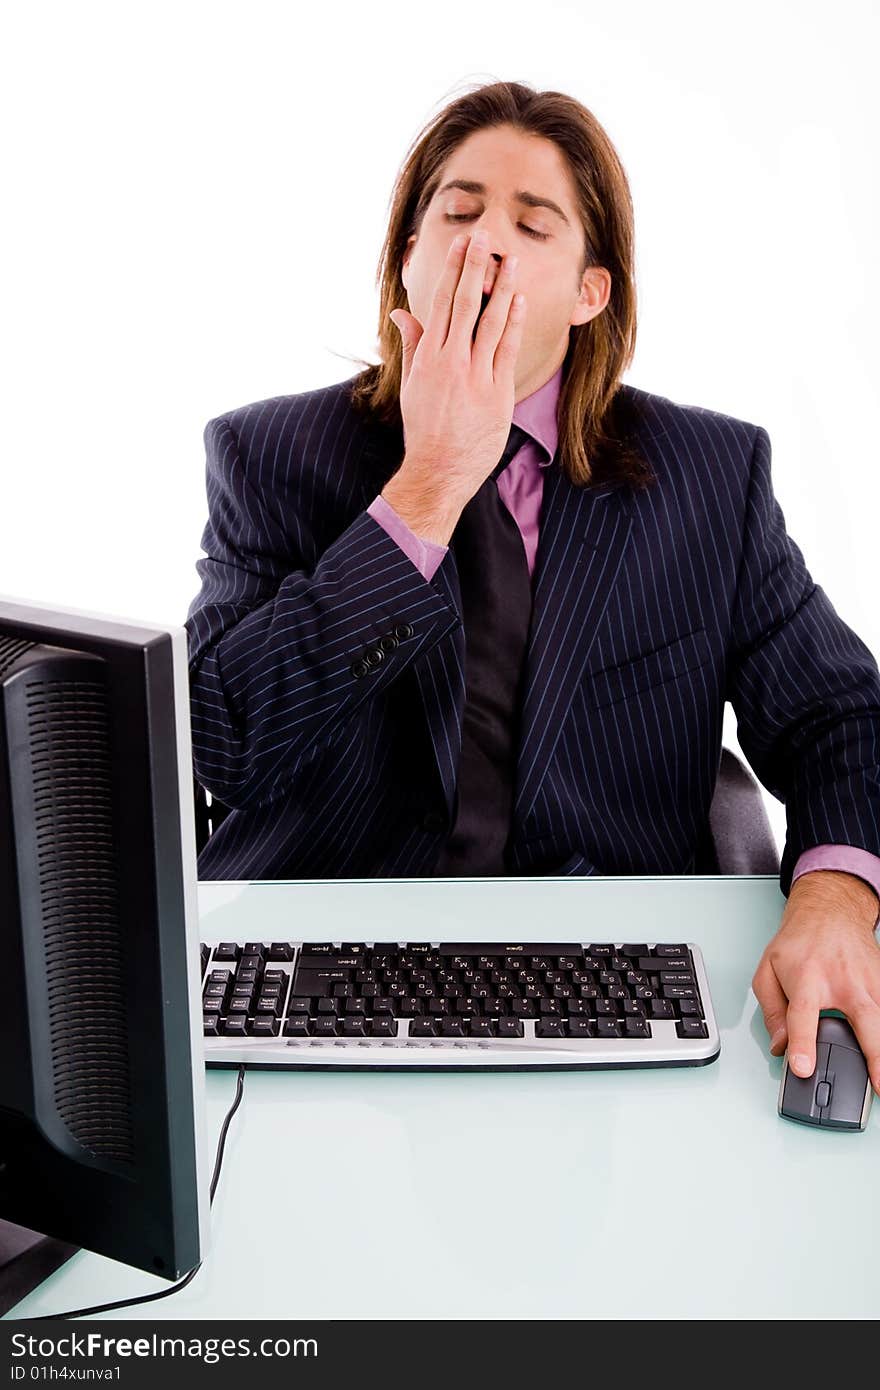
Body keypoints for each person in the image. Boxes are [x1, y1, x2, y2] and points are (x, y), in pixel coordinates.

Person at [185, 80, 880, 1094]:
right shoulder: (268, 454)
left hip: (608, 984)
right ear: (408, 264)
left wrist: (832, 894)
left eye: (531, 222)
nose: (486, 245)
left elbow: (842, 715)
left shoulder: (709, 477)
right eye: (457, 213)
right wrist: (426, 490)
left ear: (591, 292)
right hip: (321, 986)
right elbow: (223, 743)